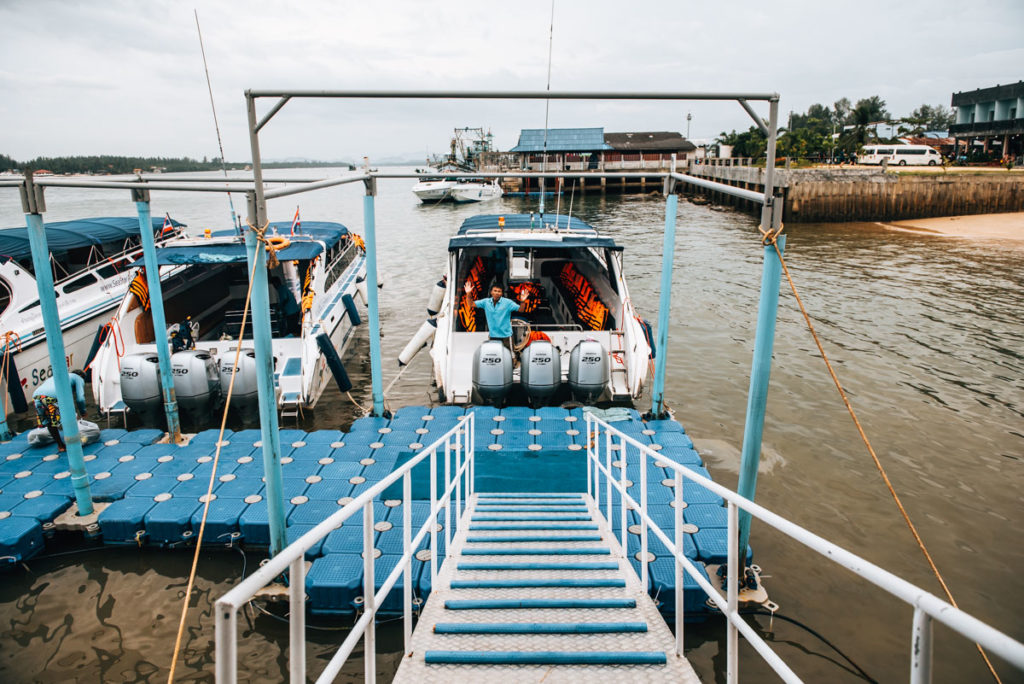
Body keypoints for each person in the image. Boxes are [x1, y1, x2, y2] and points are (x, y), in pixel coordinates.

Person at [33, 370, 87, 453]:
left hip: (37, 396)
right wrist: (83, 411)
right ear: (81, 376)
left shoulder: (58, 376)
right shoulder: (78, 378)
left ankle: (60, 446)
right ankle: (73, 443)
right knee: (70, 417)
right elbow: (80, 398)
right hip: (53, 396)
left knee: (49, 421)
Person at [471, 283, 520, 356]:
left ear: (502, 293)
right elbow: (471, 304)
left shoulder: (508, 302)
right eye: (495, 291)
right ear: (491, 292)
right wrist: (468, 293)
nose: (497, 293)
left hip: (506, 336)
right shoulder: (486, 302)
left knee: (510, 357)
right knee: (494, 356)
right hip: (493, 336)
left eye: (499, 291)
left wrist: (523, 301)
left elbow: (521, 309)